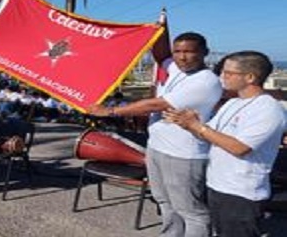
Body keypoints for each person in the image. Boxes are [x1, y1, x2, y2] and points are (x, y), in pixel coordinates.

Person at [88, 32, 223, 237]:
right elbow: (161, 55)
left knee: (190, 210)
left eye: (189, 51)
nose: (182, 57)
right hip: (158, 148)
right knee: (164, 201)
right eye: (177, 51)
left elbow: (155, 105)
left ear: (204, 52)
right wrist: (157, 28)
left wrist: (109, 111)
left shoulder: (206, 81)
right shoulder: (177, 68)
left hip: (183, 155)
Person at [164, 51, 286, 237]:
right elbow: (209, 134)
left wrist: (199, 127)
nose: (222, 77)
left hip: (241, 191)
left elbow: (240, 148)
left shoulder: (268, 108)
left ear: (250, 77)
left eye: (229, 73)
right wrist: (189, 125)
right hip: (217, 183)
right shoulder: (232, 103)